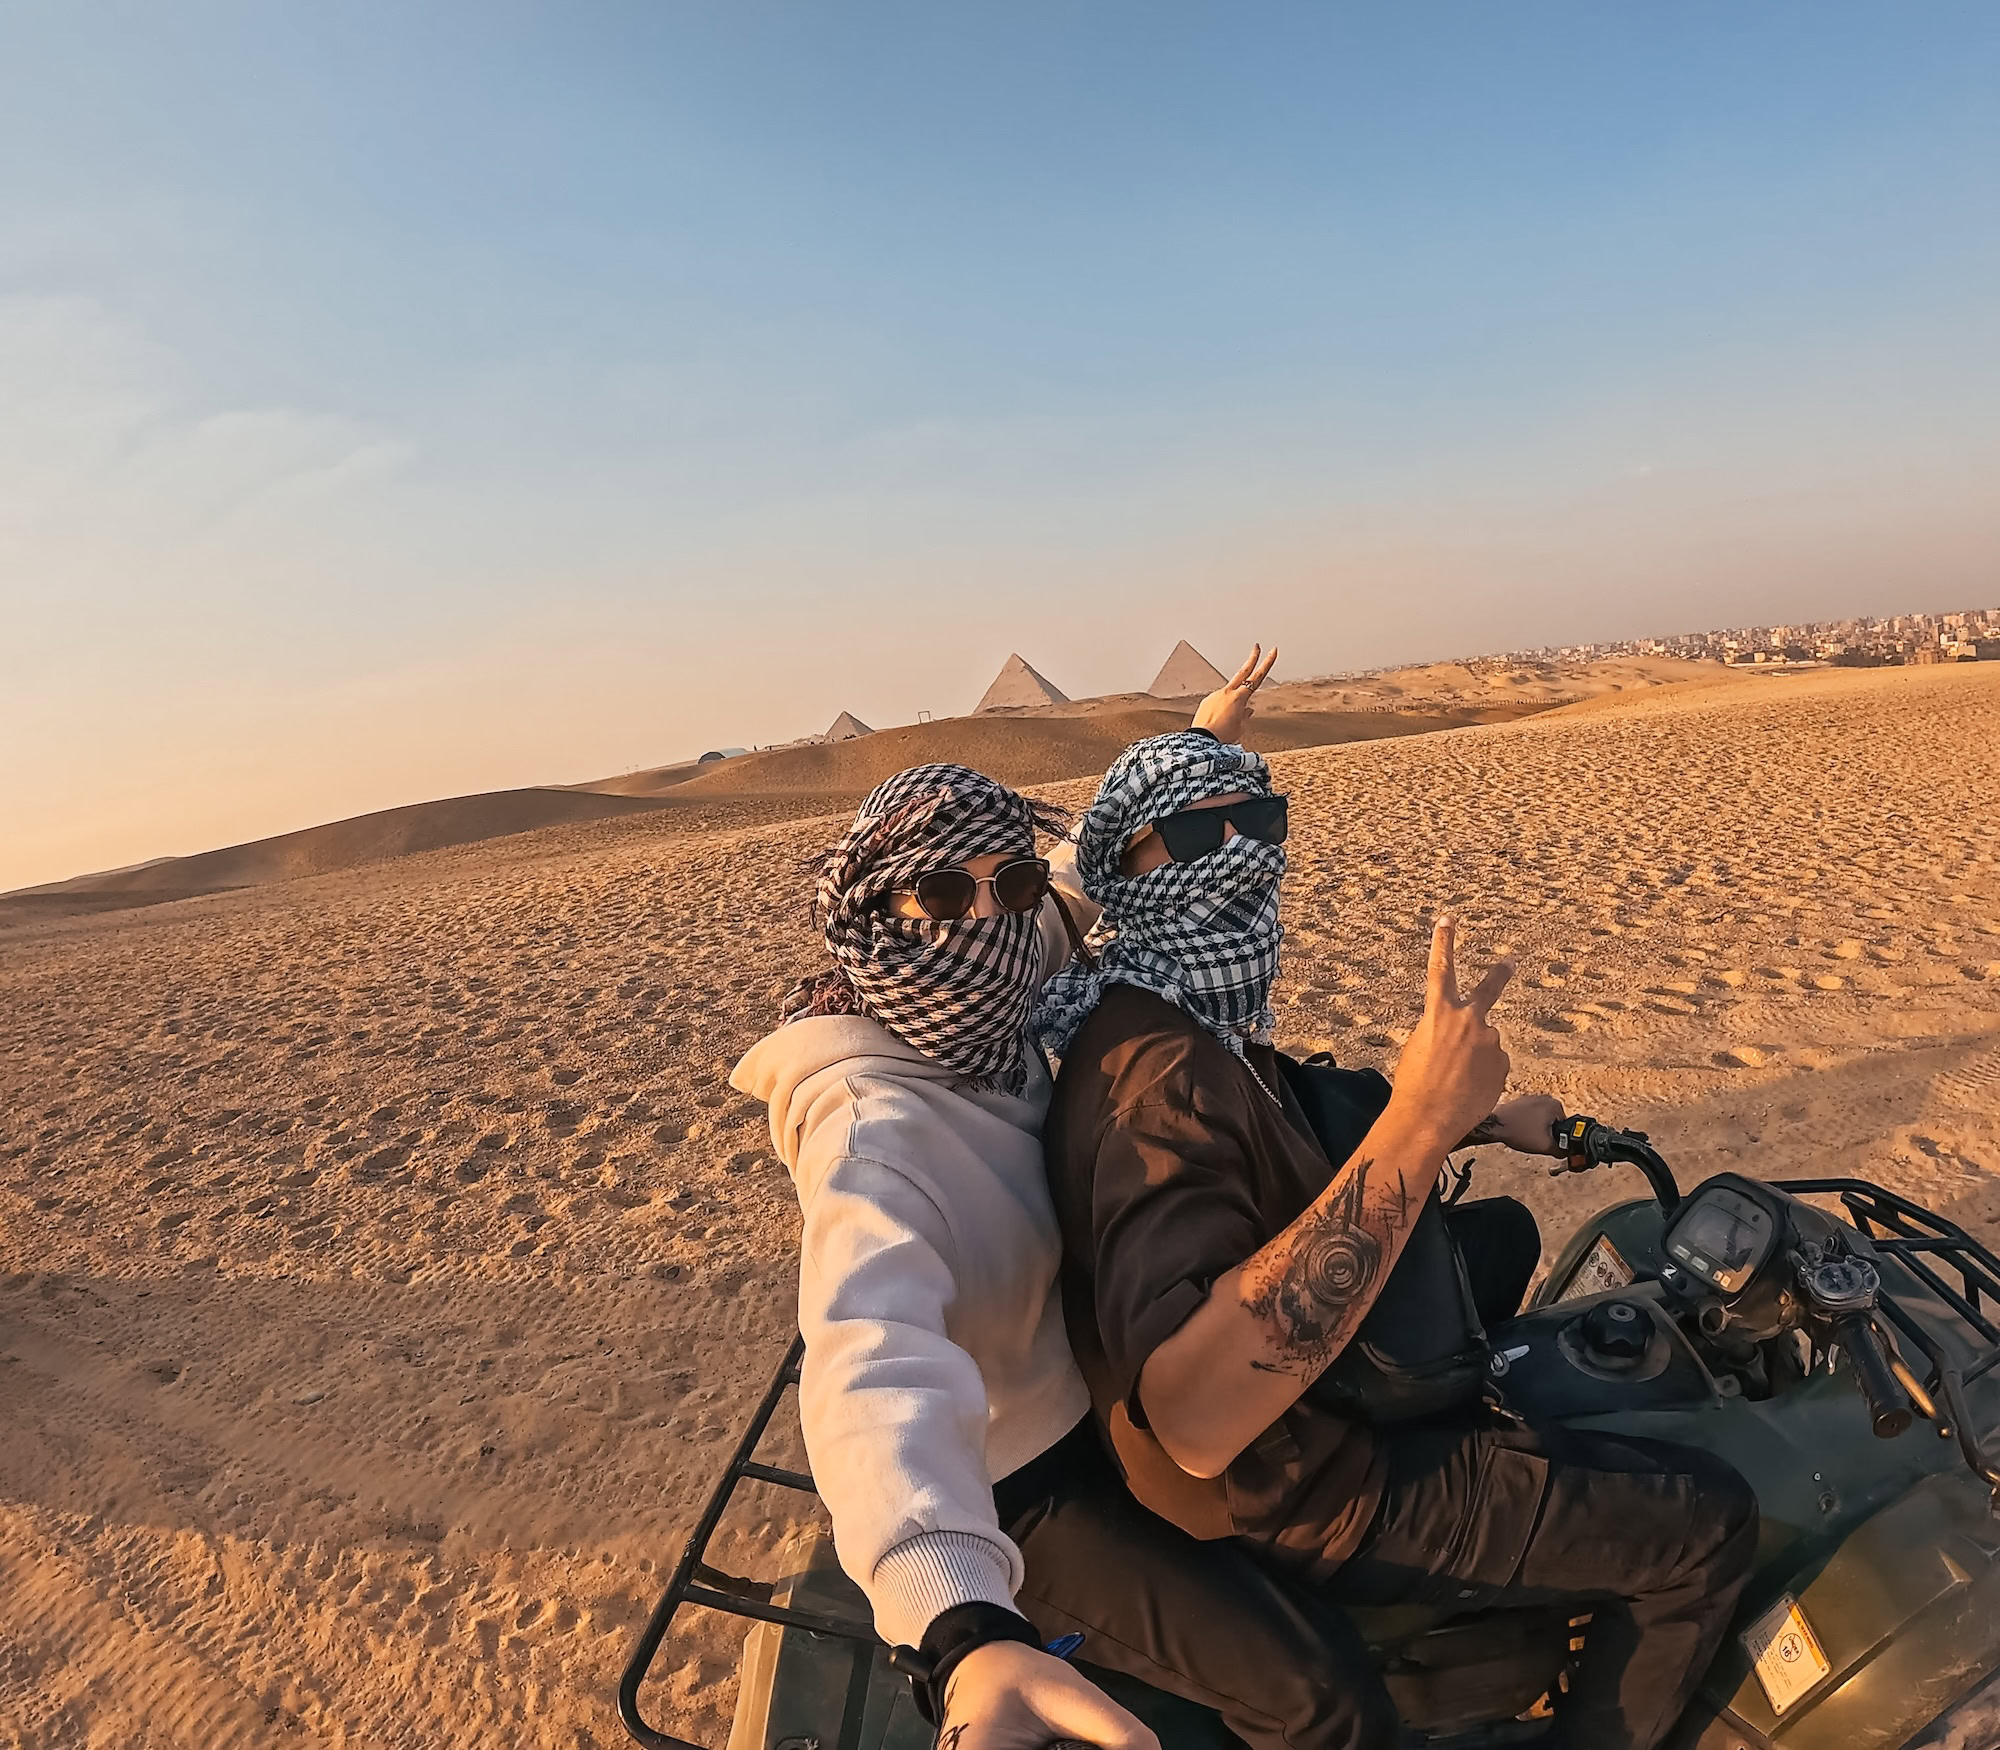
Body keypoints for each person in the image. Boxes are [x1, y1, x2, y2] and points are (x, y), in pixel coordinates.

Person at [1036, 729, 1760, 1750]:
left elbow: (1282, 1146)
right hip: (1305, 1490)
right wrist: (1416, 1121)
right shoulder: (1157, 1078)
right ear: (1122, 864)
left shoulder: (1179, 1009)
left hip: (1318, 1428)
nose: (1240, 848)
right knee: (1702, 1522)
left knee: (1498, 1245)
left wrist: (1461, 1118)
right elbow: (1194, 1414)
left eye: (1262, 820)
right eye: (1198, 830)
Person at [733, 652, 1385, 1750]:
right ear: (879, 909)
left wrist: (1205, 740)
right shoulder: (869, 1123)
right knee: (1319, 1697)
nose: (982, 915)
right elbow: (866, 1352)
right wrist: (960, 1629)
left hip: (1106, 1377)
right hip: (1024, 1475)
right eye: (942, 891)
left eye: (1007, 886)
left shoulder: (998, 976)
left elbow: (1083, 868)